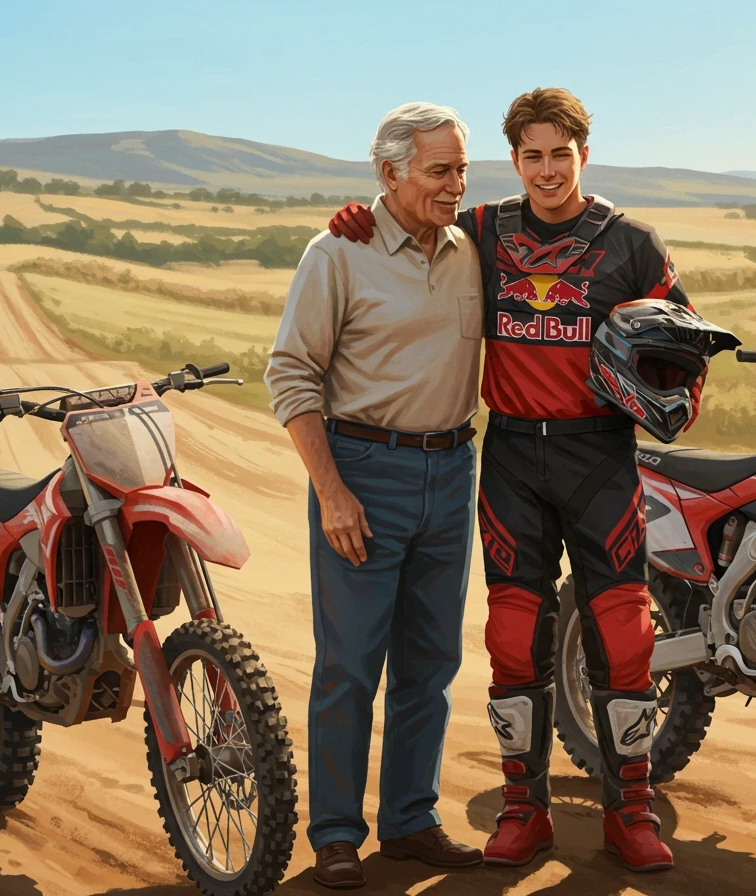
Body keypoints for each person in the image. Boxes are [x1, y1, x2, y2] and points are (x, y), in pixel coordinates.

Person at [329, 88, 702, 873]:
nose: (547, 170)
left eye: (561, 154)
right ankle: (523, 812)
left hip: (599, 457)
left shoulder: (632, 242)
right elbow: (408, 219)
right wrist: (360, 216)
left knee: (625, 637)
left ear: (584, 155)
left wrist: (678, 400)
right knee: (513, 639)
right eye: (532, 155)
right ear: (515, 159)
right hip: (510, 458)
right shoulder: (481, 231)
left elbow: (684, 342)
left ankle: (630, 814)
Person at [266, 102, 485, 891]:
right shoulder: (337, 252)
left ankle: (410, 821)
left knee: (432, 663)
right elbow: (290, 374)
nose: (455, 185)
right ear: (389, 173)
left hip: (453, 471)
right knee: (350, 666)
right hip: (363, 472)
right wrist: (331, 491)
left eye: (462, 170)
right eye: (439, 171)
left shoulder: (474, 248)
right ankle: (335, 834)